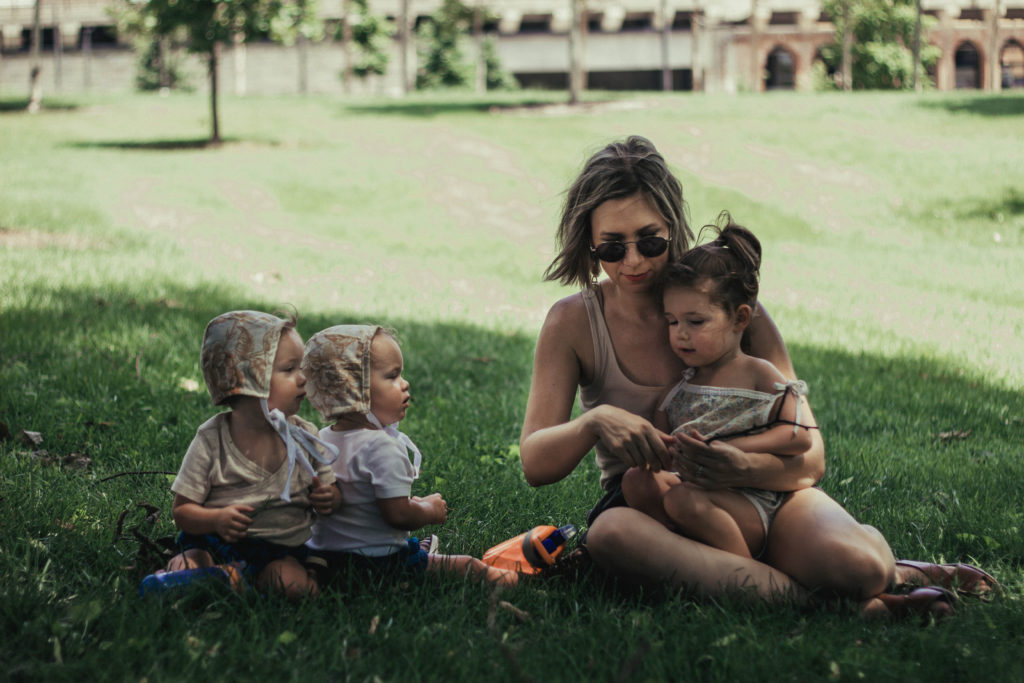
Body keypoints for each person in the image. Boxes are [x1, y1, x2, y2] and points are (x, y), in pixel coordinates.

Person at [519, 135, 997, 618]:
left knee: (862, 568)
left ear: (673, 226)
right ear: (588, 242)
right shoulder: (574, 322)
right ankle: (839, 607)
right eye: (611, 248)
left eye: (649, 240)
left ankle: (882, 577)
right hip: (655, 508)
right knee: (610, 535)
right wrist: (595, 422)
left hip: (765, 496)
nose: (634, 261)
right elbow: (536, 464)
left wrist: (742, 468)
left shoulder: (730, 307)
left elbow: (809, 459)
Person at [621, 217, 816, 559]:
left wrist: (732, 448)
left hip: (746, 501)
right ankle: (687, 554)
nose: (680, 333)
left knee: (682, 499)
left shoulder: (759, 373)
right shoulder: (681, 391)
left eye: (695, 322)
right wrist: (666, 448)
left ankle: (744, 573)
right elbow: (664, 459)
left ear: (740, 319)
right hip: (694, 492)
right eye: (672, 322)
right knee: (635, 481)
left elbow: (799, 436)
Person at [301, 324, 517, 587]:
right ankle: (513, 582)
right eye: (392, 376)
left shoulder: (322, 439)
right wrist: (428, 510)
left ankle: (417, 552)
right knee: (467, 565)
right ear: (353, 391)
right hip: (376, 562)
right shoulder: (380, 447)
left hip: (324, 557)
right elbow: (399, 515)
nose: (405, 383)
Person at [166, 310, 342, 600]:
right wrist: (215, 520)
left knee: (293, 586)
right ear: (246, 380)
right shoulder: (212, 439)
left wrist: (329, 498)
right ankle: (203, 573)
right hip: (216, 540)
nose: (303, 379)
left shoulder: (306, 435)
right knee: (189, 561)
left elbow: (333, 494)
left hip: (282, 549)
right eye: (289, 369)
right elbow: (182, 512)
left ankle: (232, 581)